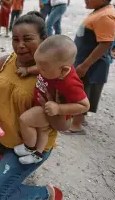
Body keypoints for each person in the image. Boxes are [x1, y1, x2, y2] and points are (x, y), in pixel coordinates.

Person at [0, 11, 65, 200]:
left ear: (44, 39)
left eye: (27, 39)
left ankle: (47, 194)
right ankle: (5, 153)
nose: (20, 45)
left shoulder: (52, 77)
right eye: (15, 39)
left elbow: (63, 126)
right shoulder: (6, 61)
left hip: (29, 145)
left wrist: (54, 109)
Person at [14, 35, 90, 165]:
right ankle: (37, 154)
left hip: (50, 109)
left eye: (43, 68)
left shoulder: (70, 83)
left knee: (25, 120)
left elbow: (84, 105)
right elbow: (39, 67)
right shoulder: (53, 67)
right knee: (42, 130)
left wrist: (59, 108)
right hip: (45, 105)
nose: (39, 69)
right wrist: (28, 70)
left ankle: (29, 147)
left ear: (64, 70)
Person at [67, 0, 115, 135]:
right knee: (82, 89)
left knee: (82, 92)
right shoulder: (99, 11)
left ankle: (76, 125)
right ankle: (79, 119)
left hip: (90, 64)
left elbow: (104, 44)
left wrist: (85, 65)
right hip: (84, 61)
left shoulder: (106, 16)